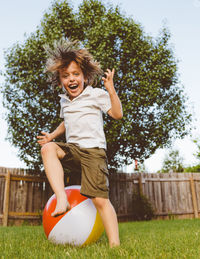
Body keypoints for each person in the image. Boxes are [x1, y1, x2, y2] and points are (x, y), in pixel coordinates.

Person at [37, 39, 123, 247]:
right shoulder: (64, 101)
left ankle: (115, 244)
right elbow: (66, 122)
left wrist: (111, 90)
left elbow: (117, 114)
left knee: (100, 200)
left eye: (76, 74)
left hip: (93, 152)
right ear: (60, 81)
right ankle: (62, 198)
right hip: (74, 151)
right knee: (48, 149)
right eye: (65, 76)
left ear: (85, 76)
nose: (71, 79)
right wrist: (51, 137)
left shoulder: (96, 94)